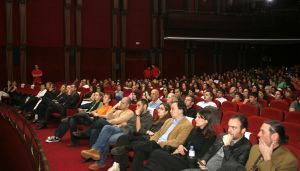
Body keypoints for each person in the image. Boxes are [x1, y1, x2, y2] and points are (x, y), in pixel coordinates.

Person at [82, 99, 152, 170]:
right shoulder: (135, 113)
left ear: (145, 106)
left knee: (108, 137)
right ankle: (95, 150)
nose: (136, 107)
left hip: (129, 134)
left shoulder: (148, 117)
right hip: (123, 128)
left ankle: (100, 162)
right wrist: (120, 125)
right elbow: (128, 123)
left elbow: (138, 130)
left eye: (139, 105)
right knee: (107, 127)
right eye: (136, 105)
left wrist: (138, 116)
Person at [143, 108, 218, 171]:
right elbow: (184, 144)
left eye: (199, 117)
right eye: (196, 117)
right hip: (181, 156)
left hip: (190, 162)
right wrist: (180, 147)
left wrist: (184, 151)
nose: (196, 119)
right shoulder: (195, 130)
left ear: (206, 121)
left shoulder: (211, 136)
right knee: (157, 163)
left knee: (157, 153)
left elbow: (201, 156)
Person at [130, 100, 193, 171]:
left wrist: (160, 143)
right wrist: (152, 141)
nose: (170, 111)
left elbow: (178, 142)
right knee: (140, 150)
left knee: (144, 145)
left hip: (165, 148)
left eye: (173, 109)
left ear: (181, 110)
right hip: (154, 144)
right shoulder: (169, 120)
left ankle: (127, 147)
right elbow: (158, 133)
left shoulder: (187, 125)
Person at [108, 103, 172, 171]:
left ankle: (120, 165)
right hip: (142, 136)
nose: (159, 110)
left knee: (129, 143)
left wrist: (150, 133)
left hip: (148, 141)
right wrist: (147, 131)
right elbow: (141, 129)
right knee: (123, 138)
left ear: (166, 112)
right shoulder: (154, 118)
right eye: (159, 108)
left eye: (161, 109)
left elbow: (158, 135)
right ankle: (119, 165)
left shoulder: (166, 122)